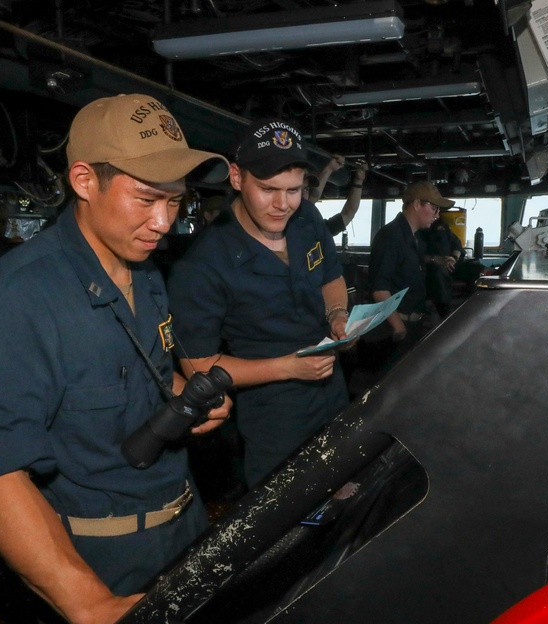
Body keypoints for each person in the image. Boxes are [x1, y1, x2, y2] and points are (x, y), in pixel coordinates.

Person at [0, 93, 232, 624]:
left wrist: (185, 396)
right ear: (83, 180)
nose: (164, 222)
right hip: (100, 560)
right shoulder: (15, 299)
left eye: (175, 201)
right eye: (147, 199)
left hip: (182, 526)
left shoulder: (144, 271)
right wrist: (91, 606)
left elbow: (133, 372)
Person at [167, 119, 351, 489]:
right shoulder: (203, 265)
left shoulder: (307, 219)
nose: (283, 205)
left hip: (334, 390)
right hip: (275, 411)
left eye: (294, 190)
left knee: (347, 488)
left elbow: (331, 276)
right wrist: (287, 368)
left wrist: (338, 316)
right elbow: (198, 366)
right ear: (236, 178)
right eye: (268, 189)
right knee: (286, 512)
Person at [367, 181, 455, 351]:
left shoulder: (417, 240)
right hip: (394, 329)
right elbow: (380, 289)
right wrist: (398, 327)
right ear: (416, 204)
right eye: (434, 208)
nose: (437, 215)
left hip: (414, 325)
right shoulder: (390, 236)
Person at [305, 154, 367, 237]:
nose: (302, 193)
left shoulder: (320, 230)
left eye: (306, 189)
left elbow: (348, 213)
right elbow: (312, 199)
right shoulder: (292, 225)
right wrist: (329, 168)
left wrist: (358, 181)